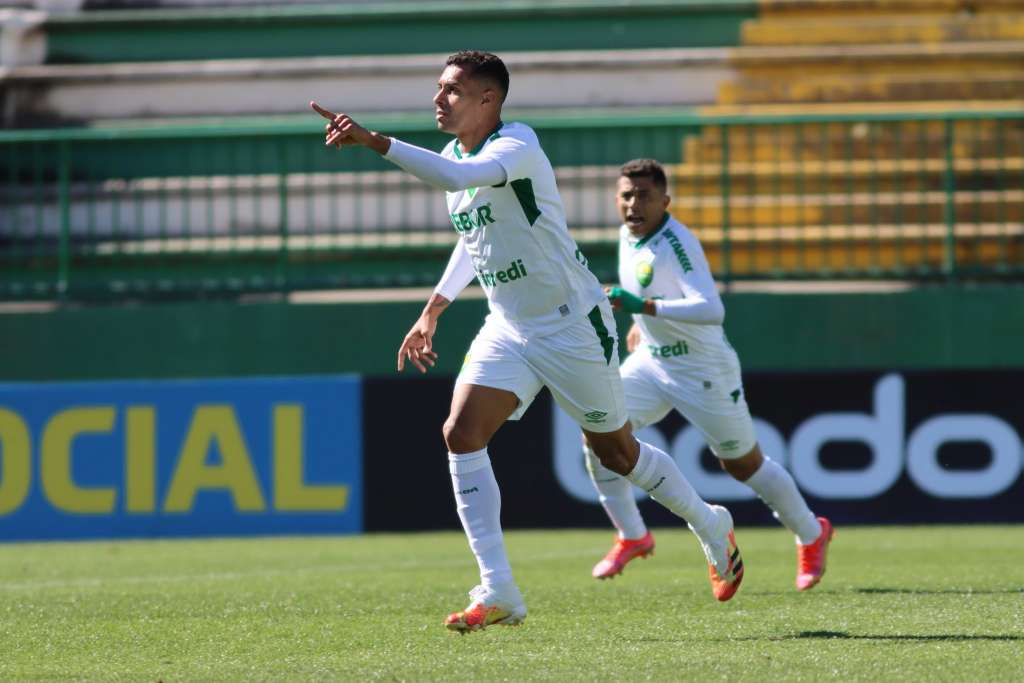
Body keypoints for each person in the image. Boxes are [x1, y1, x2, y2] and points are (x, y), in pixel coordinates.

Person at [311, 52, 743, 634]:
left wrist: (372, 141)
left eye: (453, 90)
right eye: (438, 88)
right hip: (509, 325)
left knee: (617, 453)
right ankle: (499, 590)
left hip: (571, 324)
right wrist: (434, 307)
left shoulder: (517, 145)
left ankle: (711, 524)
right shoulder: (451, 157)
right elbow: (474, 234)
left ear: (489, 99)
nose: (438, 99)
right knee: (460, 433)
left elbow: (462, 181)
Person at [590, 158, 834, 590]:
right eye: (626, 195)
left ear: (665, 201)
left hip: (702, 369)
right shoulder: (629, 235)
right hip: (653, 359)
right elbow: (650, 290)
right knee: (597, 429)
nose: (634, 204)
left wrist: (643, 308)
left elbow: (711, 308)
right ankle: (632, 534)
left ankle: (812, 534)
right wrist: (641, 323)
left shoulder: (679, 242)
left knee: (742, 464)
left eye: (644, 196)